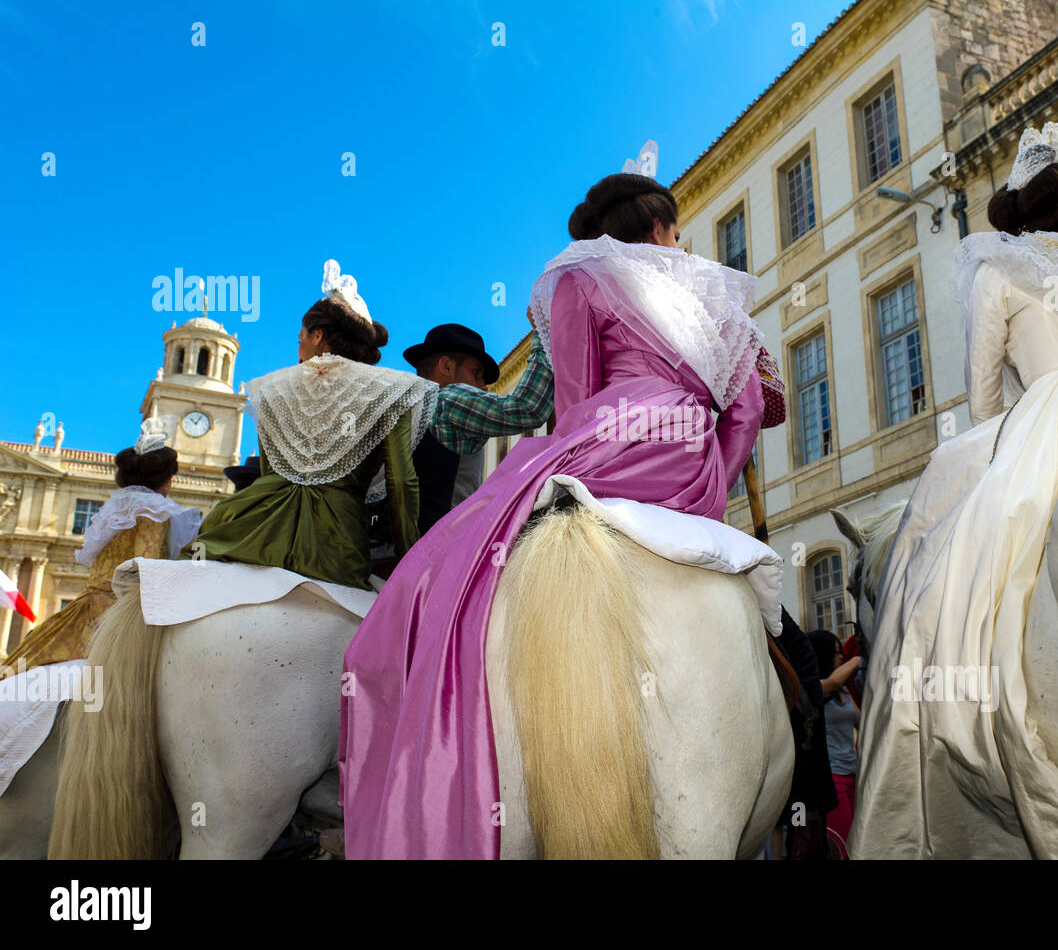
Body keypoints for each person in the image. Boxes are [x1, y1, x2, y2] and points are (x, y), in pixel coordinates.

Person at [340, 173, 765, 859]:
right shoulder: (716, 295)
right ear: (661, 230)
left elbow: (571, 399)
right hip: (688, 457)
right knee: (785, 644)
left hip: (597, 441)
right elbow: (744, 415)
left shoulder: (579, 278)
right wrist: (710, 483)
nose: (680, 243)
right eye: (677, 232)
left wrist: (573, 457)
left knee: (442, 567)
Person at [851, 122, 1058, 859]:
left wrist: (1013, 440)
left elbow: (982, 399)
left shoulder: (998, 269)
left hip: (1047, 415)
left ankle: (940, 738)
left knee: (935, 554)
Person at [186, 261, 424, 590]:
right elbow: (402, 483)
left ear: (318, 335)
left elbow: (270, 476)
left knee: (193, 560)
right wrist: (409, 556)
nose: (298, 352)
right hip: (336, 543)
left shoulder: (270, 389)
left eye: (300, 340)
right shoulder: (391, 390)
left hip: (254, 526)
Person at [1, 420, 200, 677]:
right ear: (168, 480)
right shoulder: (154, 512)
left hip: (87, 609)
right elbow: (145, 567)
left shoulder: (114, 510)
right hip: (124, 617)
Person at [368, 323, 554, 570]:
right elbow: (527, 409)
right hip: (436, 561)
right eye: (476, 372)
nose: (484, 386)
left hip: (382, 556)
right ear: (446, 366)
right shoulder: (447, 399)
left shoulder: (402, 408)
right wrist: (545, 331)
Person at [809, 629, 859, 853]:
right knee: (844, 843)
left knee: (858, 840)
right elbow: (834, 679)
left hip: (853, 774)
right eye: (836, 653)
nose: (841, 657)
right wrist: (860, 657)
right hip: (833, 777)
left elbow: (862, 723)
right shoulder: (815, 687)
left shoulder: (844, 689)